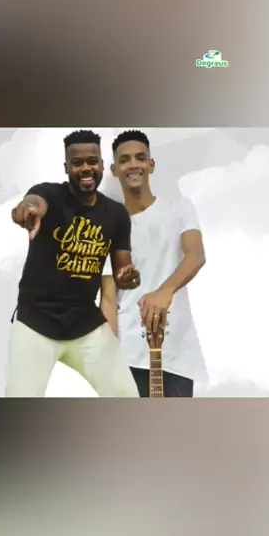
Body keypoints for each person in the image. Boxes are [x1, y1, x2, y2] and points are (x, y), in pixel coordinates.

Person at [6, 130, 141, 397]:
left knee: (126, 396)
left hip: (85, 323)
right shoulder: (50, 194)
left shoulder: (116, 214)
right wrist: (27, 209)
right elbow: (35, 202)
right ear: (66, 168)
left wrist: (127, 277)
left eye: (92, 161)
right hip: (36, 322)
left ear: (102, 165)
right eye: (77, 163)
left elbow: (122, 268)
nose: (86, 168)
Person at [100, 130, 207, 397]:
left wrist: (164, 291)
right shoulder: (109, 229)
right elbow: (109, 298)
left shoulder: (179, 209)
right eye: (124, 160)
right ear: (114, 170)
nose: (133, 164)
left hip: (176, 353)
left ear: (151, 164)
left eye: (140, 157)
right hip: (128, 356)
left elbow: (196, 255)